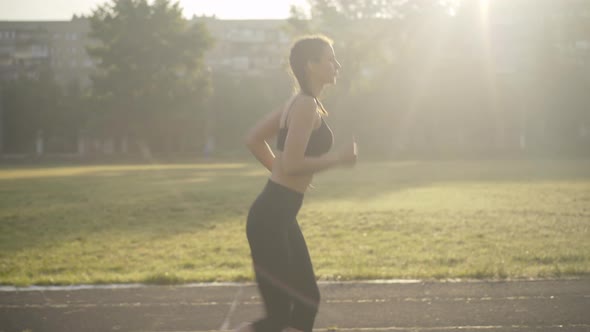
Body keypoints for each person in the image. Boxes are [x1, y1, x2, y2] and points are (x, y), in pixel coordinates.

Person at [236, 35, 357, 332]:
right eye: (330, 59)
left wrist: (284, 171)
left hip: (280, 215)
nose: (337, 65)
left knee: (306, 301)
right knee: (279, 317)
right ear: (311, 66)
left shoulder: (300, 103)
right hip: (271, 217)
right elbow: (291, 163)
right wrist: (337, 159)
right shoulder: (304, 106)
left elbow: (254, 139)